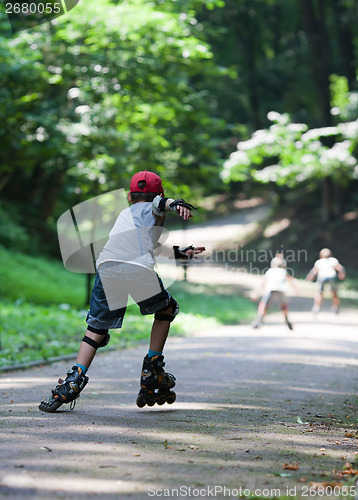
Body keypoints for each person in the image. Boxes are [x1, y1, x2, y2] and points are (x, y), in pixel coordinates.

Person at [39, 171, 205, 412]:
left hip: (106, 268)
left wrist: (180, 253)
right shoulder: (153, 206)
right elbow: (160, 204)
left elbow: (153, 246)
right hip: (136, 270)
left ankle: (74, 379)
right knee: (168, 309)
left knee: (96, 328)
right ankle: (152, 365)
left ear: (129, 196)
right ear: (158, 195)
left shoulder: (125, 215)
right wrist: (175, 203)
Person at [251, 253, 297, 330]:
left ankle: (259, 320)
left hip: (271, 290)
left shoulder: (269, 271)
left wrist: (256, 293)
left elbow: (262, 283)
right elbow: (290, 281)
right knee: (283, 306)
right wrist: (296, 290)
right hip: (280, 291)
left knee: (264, 305)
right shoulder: (284, 271)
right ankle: (287, 320)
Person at [306, 248, 345, 314]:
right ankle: (335, 306)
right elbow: (340, 268)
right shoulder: (333, 260)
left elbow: (314, 271)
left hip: (322, 277)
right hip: (331, 276)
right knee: (334, 293)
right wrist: (341, 274)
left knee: (320, 293)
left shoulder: (319, 261)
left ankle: (317, 307)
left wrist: (309, 278)